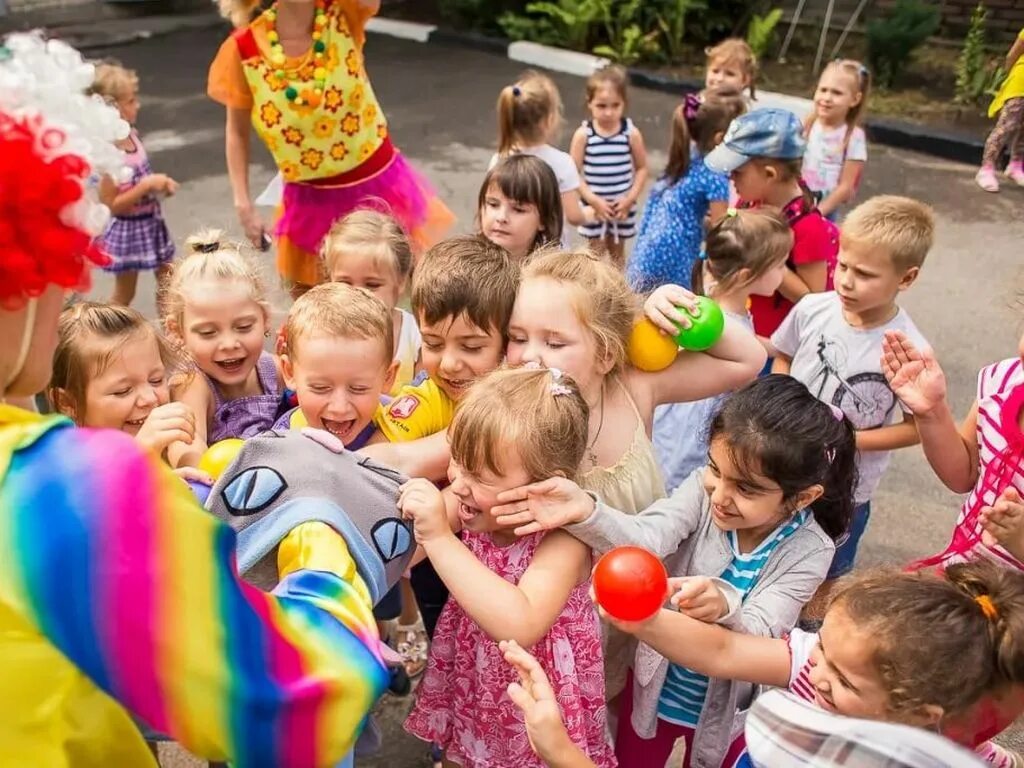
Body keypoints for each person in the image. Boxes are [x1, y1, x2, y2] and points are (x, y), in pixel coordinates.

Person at [0, 33, 411, 766]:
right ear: (20, 290)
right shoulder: (57, 482)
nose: (70, 289)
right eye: (63, 271)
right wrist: (321, 537)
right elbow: (280, 703)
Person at [494, 375, 856, 768]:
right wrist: (585, 509)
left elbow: (765, 631)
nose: (720, 495)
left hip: (723, 711)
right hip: (655, 687)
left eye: (746, 489)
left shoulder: (811, 549)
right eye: (715, 470)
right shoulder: (702, 495)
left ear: (803, 497)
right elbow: (647, 536)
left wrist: (724, 603)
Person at [505, 248, 766, 699]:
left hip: (634, 604)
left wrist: (683, 310)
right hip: (552, 613)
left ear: (606, 353)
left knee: (615, 705)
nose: (530, 356)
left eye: (555, 341)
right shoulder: (509, 406)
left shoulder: (634, 387)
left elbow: (746, 361)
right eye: (517, 336)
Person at [600, 559, 1024, 768]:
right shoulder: (814, 665)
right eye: (822, 647)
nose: (817, 673)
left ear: (917, 712)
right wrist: (644, 621)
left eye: (844, 681)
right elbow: (723, 651)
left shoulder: (943, 756)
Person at [399, 367, 616, 768]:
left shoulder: (565, 538)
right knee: (465, 749)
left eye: (479, 475)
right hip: (477, 675)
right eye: (457, 462)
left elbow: (521, 621)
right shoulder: (472, 504)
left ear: (546, 484)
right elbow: (401, 553)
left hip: (534, 695)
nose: (458, 483)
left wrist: (440, 539)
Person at [208, 0, 453, 296]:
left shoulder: (343, 12)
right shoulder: (243, 49)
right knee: (320, 314)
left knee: (410, 300)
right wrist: (243, 202)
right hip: (310, 204)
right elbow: (236, 132)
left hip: (381, 189)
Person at [773, 195, 933, 614]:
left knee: (825, 580)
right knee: (769, 561)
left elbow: (918, 426)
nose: (845, 281)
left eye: (864, 274)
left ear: (907, 277)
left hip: (845, 492)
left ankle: (806, 655)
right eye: (842, 265)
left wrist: (851, 438)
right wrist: (785, 398)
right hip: (784, 469)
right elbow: (783, 354)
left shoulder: (908, 348)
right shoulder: (813, 309)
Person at [652, 209, 792, 492]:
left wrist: (776, 346)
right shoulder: (726, 328)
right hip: (689, 438)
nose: (785, 273)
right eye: (780, 266)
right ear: (745, 276)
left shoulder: (712, 310)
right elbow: (746, 375)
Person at [706, 108, 839, 358]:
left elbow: (813, 299)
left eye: (738, 171)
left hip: (773, 348)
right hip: (742, 326)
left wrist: (767, 253)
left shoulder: (808, 226)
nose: (730, 177)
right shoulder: (750, 202)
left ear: (769, 174)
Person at [47, 302, 208, 481]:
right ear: (67, 403)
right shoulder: (69, 463)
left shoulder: (162, 435)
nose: (149, 398)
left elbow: (199, 467)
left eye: (156, 380)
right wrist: (141, 455)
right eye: (122, 391)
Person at [164, 231, 282, 469]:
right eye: (208, 333)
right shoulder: (191, 383)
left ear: (265, 318)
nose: (229, 343)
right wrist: (201, 468)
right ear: (178, 332)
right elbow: (185, 443)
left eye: (243, 326)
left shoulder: (275, 370)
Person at [626, 87, 745, 293]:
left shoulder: (685, 154)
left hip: (647, 249)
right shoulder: (716, 173)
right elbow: (719, 230)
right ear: (719, 138)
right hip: (676, 255)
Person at [89, 60, 177, 308]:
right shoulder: (108, 153)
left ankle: (172, 336)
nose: (136, 105)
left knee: (169, 284)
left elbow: (139, 178)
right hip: (129, 231)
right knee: (124, 294)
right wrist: (147, 185)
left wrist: (160, 187)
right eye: (129, 101)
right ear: (111, 108)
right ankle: (105, 336)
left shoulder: (131, 136)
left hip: (151, 223)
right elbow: (112, 205)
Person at [492, 69, 595, 247]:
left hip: (509, 251)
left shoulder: (499, 159)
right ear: (548, 120)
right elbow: (574, 216)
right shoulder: (562, 163)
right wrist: (593, 213)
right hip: (550, 257)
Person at [321, 209, 420, 394]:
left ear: (400, 281)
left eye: (372, 285)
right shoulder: (318, 333)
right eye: (345, 282)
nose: (358, 294)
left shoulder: (415, 337)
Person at [570, 64, 648, 268]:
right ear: (590, 103)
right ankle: (593, 296)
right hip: (594, 208)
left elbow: (642, 169)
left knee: (616, 256)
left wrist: (629, 199)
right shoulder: (584, 135)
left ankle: (617, 296)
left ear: (624, 103)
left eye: (615, 105)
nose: (608, 112)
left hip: (621, 208)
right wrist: (593, 200)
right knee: (594, 255)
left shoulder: (630, 133)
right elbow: (572, 174)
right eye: (601, 106)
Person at [802, 59, 870, 220]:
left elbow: (846, 186)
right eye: (823, 90)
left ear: (855, 99)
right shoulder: (808, 125)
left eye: (837, 93)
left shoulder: (854, 137)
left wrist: (816, 213)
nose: (827, 97)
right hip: (796, 201)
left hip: (824, 209)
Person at [479, 154, 563, 262]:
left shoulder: (550, 276)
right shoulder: (459, 267)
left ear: (544, 219)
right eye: (493, 204)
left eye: (518, 210)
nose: (501, 217)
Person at [975, 27, 1024, 192]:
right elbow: (1012, 55)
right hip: (1020, 85)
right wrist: (1010, 76)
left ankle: (1016, 166)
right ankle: (986, 169)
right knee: (1006, 127)